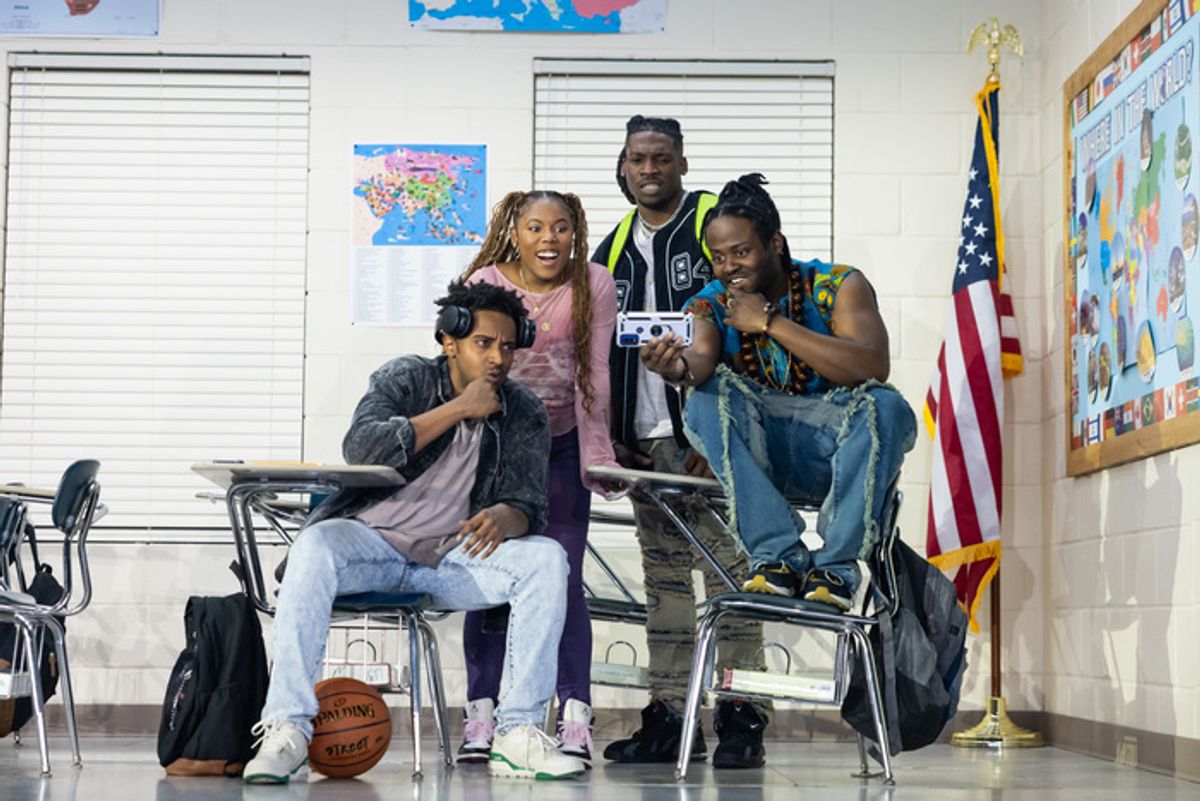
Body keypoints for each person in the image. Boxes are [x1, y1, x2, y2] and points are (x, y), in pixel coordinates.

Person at [242, 281, 586, 783]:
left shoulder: (523, 410)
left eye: (508, 347)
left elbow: (528, 506)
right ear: (450, 341)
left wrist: (506, 518)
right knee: (314, 545)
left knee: (546, 558)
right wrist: (460, 408)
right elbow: (363, 446)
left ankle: (516, 733)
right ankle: (287, 730)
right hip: (374, 545)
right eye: (484, 344)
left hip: (451, 559)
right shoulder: (406, 378)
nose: (498, 358)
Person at [641, 173, 917, 610]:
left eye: (741, 252)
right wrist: (674, 368)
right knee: (708, 394)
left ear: (776, 243)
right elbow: (699, 361)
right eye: (717, 257)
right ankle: (776, 558)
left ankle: (835, 567)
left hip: (835, 457)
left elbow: (872, 365)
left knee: (886, 406)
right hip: (761, 459)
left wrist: (771, 323)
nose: (729, 266)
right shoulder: (708, 303)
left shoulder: (838, 285)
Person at [591, 115, 771, 769]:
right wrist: (614, 436)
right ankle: (671, 716)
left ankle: (741, 712)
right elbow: (600, 352)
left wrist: (723, 428)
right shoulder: (608, 251)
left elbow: (752, 328)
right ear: (624, 164)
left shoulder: (715, 227)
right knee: (664, 583)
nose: (648, 170)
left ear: (682, 164)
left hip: (713, 443)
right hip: (647, 447)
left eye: (661, 158)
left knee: (733, 575)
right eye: (637, 158)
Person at [458, 189, 620, 766]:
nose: (548, 239)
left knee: (562, 579)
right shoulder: (487, 280)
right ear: (514, 231)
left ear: (575, 232)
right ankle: (482, 716)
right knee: (490, 579)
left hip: (562, 447)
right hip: (498, 449)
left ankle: (574, 716)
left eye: (559, 228)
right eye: (534, 228)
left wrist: (598, 456)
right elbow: (468, 370)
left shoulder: (594, 283)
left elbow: (594, 369)